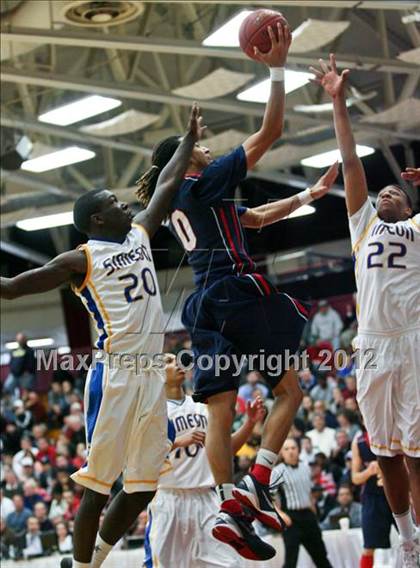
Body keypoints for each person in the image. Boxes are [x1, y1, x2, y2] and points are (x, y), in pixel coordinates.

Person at [136, 22, 339, 561]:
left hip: (202, 306)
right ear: (185, 157)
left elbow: (251, 219)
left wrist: (306, 196)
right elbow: (269, 133)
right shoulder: (203, 182)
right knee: (291, 391)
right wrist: (277, 67)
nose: (205, 148)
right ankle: (257, 482)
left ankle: (229, 503)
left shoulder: (183, 198)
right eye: (198, 146)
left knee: (220, 406)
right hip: (233, 290)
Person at [1, 104, 205, 568]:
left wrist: (189, 138)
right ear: (96, 220)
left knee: (143, 486)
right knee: (97, 483)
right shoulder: (80, 260)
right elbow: (13, 289)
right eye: (113, 202)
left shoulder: (138, 232)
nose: (123, 204)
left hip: (151, 373)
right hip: (115, 375)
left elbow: (168, 184)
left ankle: (94, 558)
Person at [311, 53, 420, 566]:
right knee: (384, 453)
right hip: (373, 346)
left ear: (410, 208)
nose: (386, 191)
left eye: (397, 189)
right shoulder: (364, 229)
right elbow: (351, 161)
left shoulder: (418, 230)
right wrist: (339, 101)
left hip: (414, 340)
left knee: (417, 456)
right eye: (383, 190)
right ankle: (406, 538)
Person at [144, 353, 265, 567]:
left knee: (231, 564)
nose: (178, 364)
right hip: (170, 498)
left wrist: (248, 423)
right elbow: (141, 457)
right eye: (169, 362)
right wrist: (177, 442)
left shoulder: (203, 407)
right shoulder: (151, 413)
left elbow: (225, 450)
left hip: (207, 498)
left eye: (178, 360)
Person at [271, 438, 332, 568]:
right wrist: (280, 514)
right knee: (291, 560)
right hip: (291, 518)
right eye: (287, 449)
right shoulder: (277, 471)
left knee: (321, 556)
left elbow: (309, 493)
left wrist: (313, 511)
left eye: (293, 448)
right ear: (282, 452)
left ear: (298, 450)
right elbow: (270, 498)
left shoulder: (305, 468)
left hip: (308, 516)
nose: (291, 451)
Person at [352, 428, 395, 568]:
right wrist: (369, 471)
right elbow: (355, 478)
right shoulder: (359, 441)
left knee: (414, 539)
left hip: (396, 492)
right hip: (372, 498)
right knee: (369, 547)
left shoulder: (393, 432)